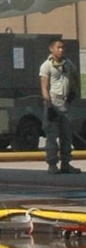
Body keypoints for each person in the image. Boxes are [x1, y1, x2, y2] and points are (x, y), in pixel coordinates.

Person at [39, 36, 81, 176]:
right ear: (51, 49)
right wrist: (49, 105)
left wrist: (74, 91)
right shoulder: (47, 66)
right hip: (53, 102)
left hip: (65, 103)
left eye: (62, 47)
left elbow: (75, 76)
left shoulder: (67, 63)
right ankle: (52, 164)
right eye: (58, 47)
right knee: (52, 136)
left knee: (66, 135)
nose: (61, 50)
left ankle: (66, 163)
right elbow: (44, 87)